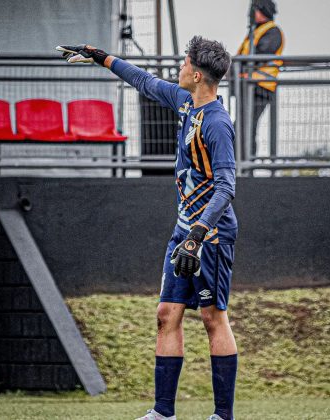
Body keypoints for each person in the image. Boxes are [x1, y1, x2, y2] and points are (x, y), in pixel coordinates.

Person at [56, 38, 238, 420]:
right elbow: (144, 81)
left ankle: (223, 415)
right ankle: (163, 413)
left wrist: (197, 235)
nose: (179, 68)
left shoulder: (218, 124)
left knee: (212, 317)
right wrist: (102, 57)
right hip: (184, 232)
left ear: (198, 73)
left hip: (210, 236)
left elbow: (226, 187)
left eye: (184, 63)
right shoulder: (187, 102)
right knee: (166, 313)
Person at [237, 0, 284, 160]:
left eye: (255, 10)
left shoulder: (272, 32)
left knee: (248, 126)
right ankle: (241, 162)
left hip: (261, 87)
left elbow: (257, 56)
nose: (252, 14)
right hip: (247, 86)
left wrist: (240, 66)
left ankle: (247, 163)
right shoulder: (255, 32)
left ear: (263, 11)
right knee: (242, 125)